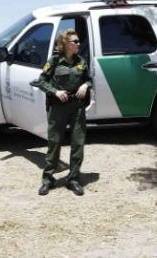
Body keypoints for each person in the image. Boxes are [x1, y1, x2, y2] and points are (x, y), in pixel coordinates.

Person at [30, 29, 92, 196]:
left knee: (78, 143)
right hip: (58, 106)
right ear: (66, 44)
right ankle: (48, 180)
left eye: (79, 41)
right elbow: (41, 81)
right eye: (75, 41)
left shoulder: (81, 61)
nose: (79, 44)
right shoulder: (55, 61)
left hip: (77, 106)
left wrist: (85, 85)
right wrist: (55, 92)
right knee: (54, 142)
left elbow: (88, 78)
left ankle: (73, 179)